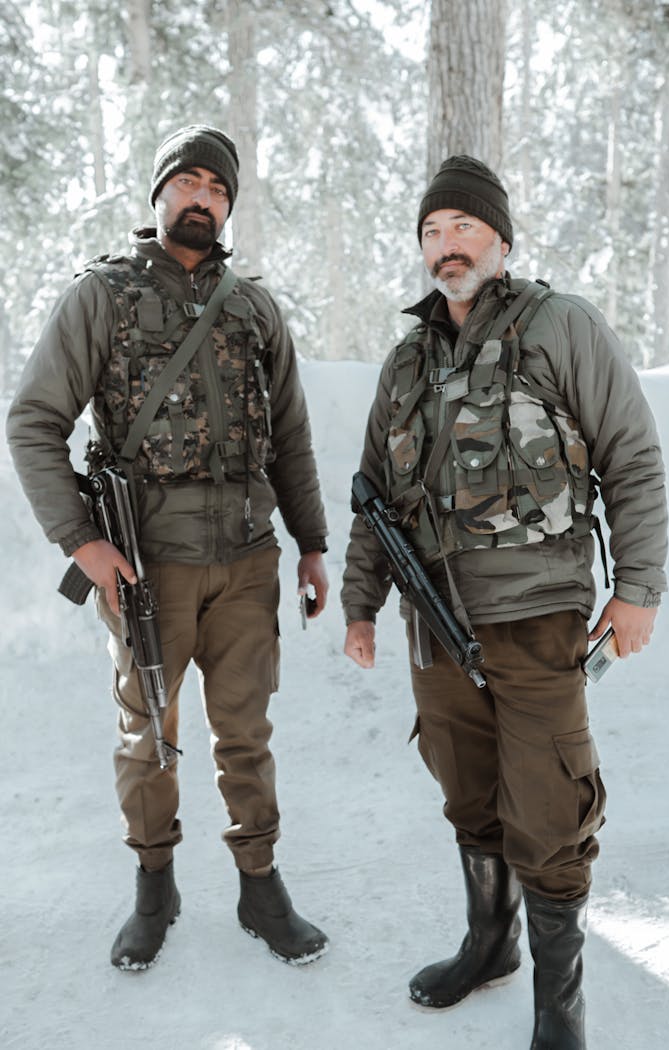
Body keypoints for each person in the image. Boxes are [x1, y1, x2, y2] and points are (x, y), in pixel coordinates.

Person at [341, 156, 667, 1048]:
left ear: (502, 240)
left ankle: (561, 1008)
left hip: (538, 616)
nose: (448, 247)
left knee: (549, 807)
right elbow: (375, 493)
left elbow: (631, 456)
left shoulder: (560, 326)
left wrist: (638, 590)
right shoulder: (406, 361)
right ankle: (491, 943)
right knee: (466, 790)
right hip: (432, 625)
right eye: (432, 232)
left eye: (464, 228)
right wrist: (361, 605)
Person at [7, 124, 330, 971]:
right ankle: (155, 888)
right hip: (147, 566)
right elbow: (35, 422)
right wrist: (82, 543)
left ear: (228, 209)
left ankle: (260, 886)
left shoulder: (255, 305)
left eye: (219, 189)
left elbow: (290, 434)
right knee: (147, 731)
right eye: (187, 182)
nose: (203, 198)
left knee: (245, 733)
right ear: (157, 197)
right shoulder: (102, 297)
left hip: (250, 559)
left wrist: (311, 544)